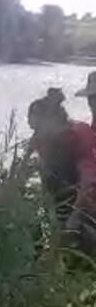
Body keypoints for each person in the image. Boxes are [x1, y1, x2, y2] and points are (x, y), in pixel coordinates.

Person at [27, 88, 96, 243]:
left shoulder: (78, 137)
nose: (36, 134)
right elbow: (32, 172)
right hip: (62, 204)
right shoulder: (42, 140)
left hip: (87, 210)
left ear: (52, 122)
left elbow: (88, 183)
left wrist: (74, 217)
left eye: (38, 129)